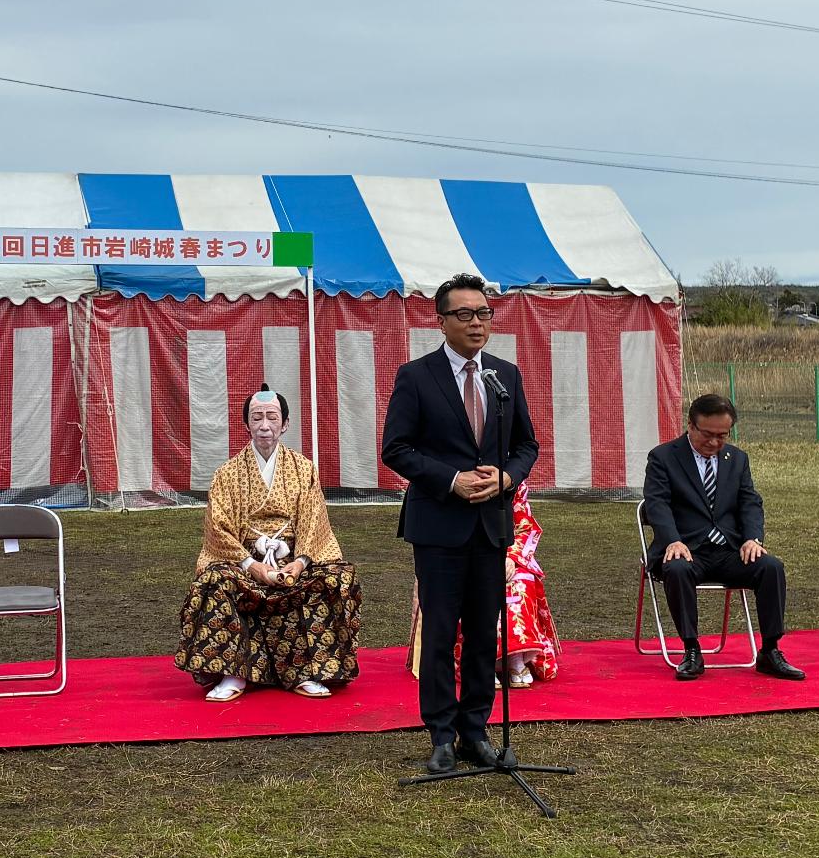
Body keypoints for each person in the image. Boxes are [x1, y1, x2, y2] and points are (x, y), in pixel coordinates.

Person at [380, 272, 540, 777]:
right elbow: (396, 449)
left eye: (484, 313)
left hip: (491, 525)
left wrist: (506, 476)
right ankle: (441, 735)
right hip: (439, 525)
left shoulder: (504, 376)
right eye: (466, 314)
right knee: (441, 632)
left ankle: (476, 729)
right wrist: (451, 479)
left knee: (483, 635)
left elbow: (526, 445)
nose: (477, 323)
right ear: (442, 320)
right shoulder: (416, 375)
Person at [175, 384, 361, 700]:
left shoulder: (304, 470)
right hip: (245, 561)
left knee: (337, 577)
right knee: (214, 580)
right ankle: (234, 673)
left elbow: (315, 523)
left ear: (285, 424)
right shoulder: (227, 474)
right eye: (257, 417)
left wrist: (299, 563)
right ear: (246, 424)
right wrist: (253, 565)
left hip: (293, 558)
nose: (264, 425)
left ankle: (307, 670)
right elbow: (217, 529)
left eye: (272, 417)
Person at [641, 393, 805, 682]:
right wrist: (672, 540)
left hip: (729, 550)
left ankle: (770, 651)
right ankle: (692, 650)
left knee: (771, 567)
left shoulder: (737, 459)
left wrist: (753, 538)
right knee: (676, 568)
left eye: (722, 436)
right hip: (686, 548)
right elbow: (657, 505)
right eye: (707, 434)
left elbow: (750, 502)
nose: (715, 442)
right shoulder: (663, 458)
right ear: (690, 426)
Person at [407, 480, 561, 688]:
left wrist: (512, 558)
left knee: (521, 584)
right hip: (461, 552)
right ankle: (485, 662)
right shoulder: (458, 477)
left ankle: (515, 658)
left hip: (507, 553)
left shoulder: (510, 480)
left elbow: (525, 525)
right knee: (475, 588)